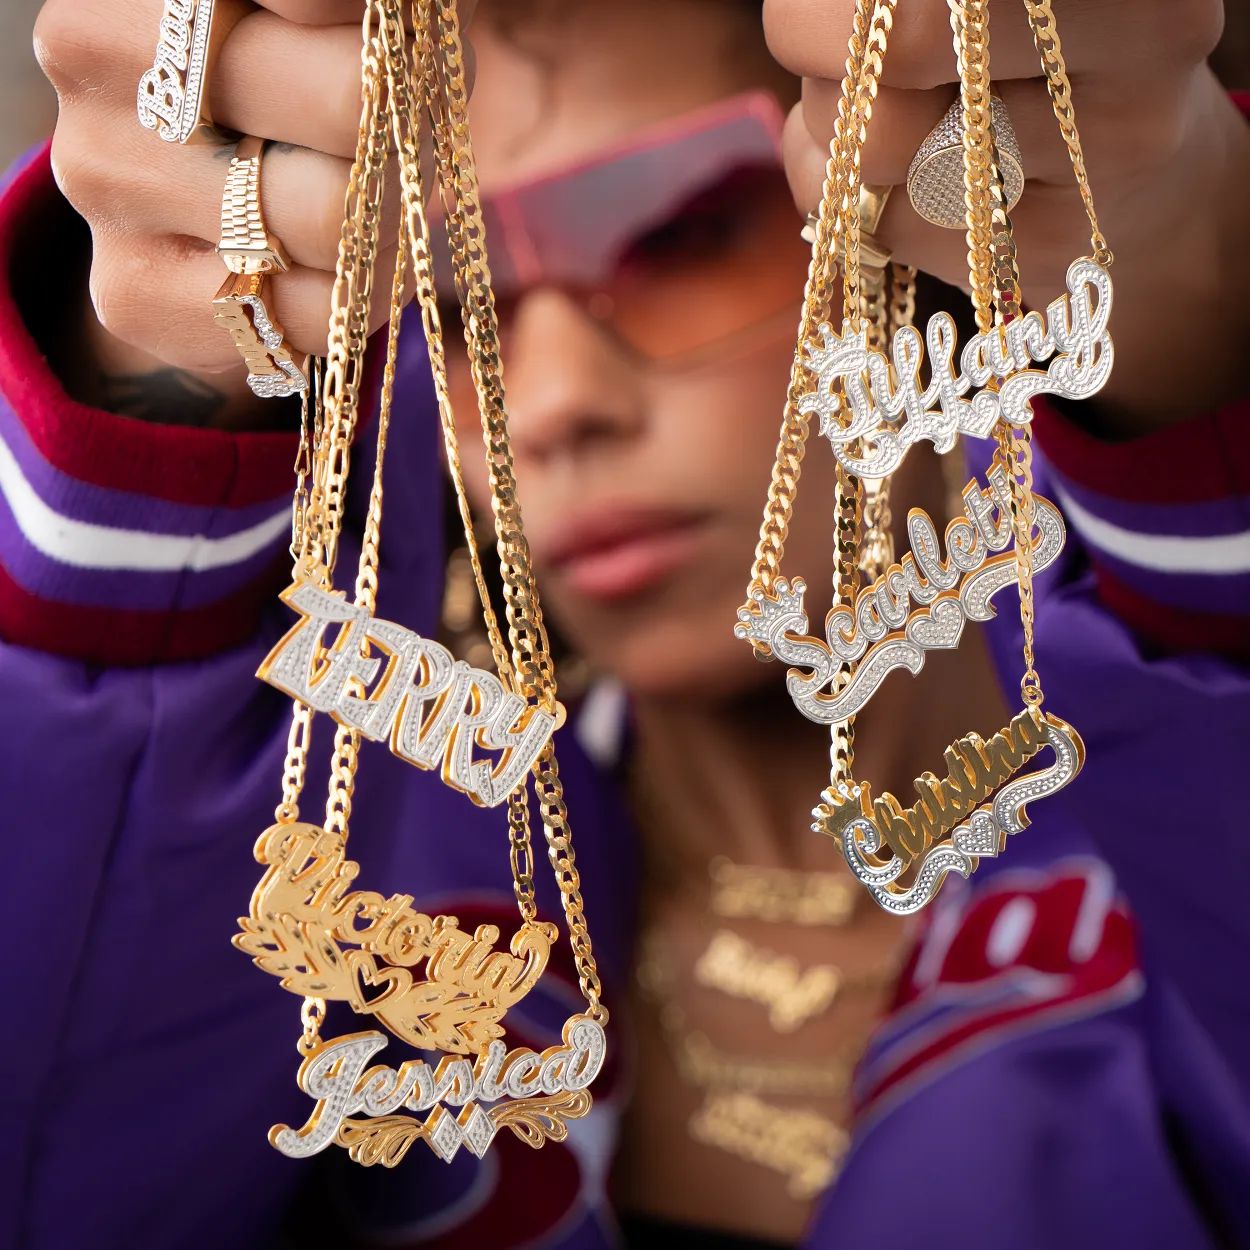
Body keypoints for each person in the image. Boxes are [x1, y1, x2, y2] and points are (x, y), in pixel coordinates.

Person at [3, 0, 1247, 1247]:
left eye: (679, 233)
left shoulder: (1181, 837)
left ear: (927, 225)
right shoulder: (350, 898)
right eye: (452, 303)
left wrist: (1193, 294)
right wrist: (149, 385)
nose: (545, 404)